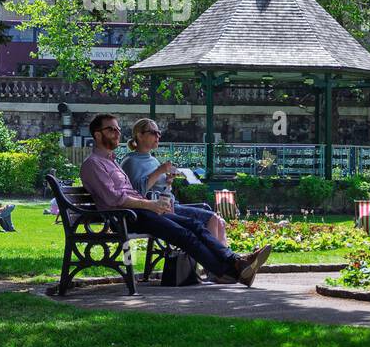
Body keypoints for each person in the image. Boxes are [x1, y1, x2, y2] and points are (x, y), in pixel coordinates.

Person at [81, 114, 270, 286]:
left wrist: (156, 202)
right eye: (111, 130)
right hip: (126, 217)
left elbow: (131, 193)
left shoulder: (111, 161)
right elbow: (116, 198)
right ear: (97, 135)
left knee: (195, 226)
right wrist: (151, 204)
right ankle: (234, 270)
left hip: (142, 211)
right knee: (185, 235)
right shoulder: (93, 164)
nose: (117, 133)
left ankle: (236, 263)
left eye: (118, 130)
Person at [121, 118, 228, 246]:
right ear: (139, 135)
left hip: (169, 206)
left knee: (218, 220)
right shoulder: (131, 161)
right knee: (212, 218)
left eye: (158, 133)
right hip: (156, 212)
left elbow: (159, 188)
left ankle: (227, 261)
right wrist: (159, 171)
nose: (158, 136)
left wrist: (168, 181)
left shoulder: (152, 160)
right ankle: (220, 262)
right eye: (153, 133)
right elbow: (137, 193)